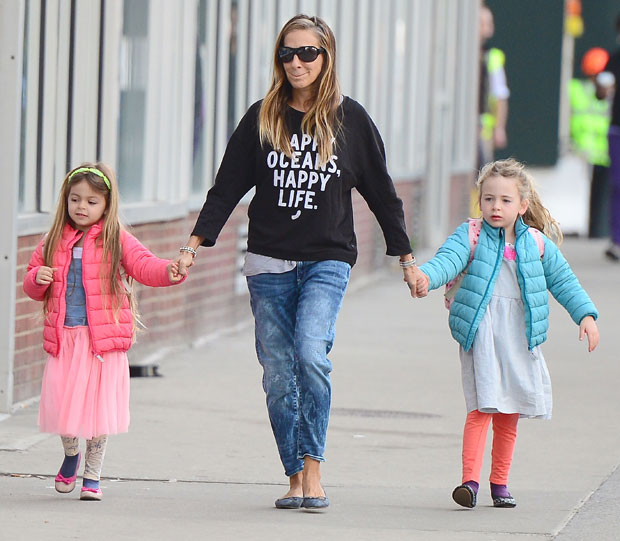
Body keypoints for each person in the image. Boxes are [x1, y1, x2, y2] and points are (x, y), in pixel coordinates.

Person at [174, 14, 425, 510]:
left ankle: (314, 469)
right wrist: (193, 245)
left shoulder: (350, 119)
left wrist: (406, 259)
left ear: (326, 57)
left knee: (310, 355)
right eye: (288, 53)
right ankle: (293, 476)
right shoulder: (262, 117)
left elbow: (382, 193)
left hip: (326, 260)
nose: (296, 62)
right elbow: (227, 188)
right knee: (276, 373)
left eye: (308, 52)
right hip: (268, 261)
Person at [415, 158, 599, 509]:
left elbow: (563, 281)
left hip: (519, 335)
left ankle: (500, 482)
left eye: (504, 200)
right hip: (482, 332)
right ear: (479, 200)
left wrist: (585, 315)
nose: (495, 207)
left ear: (522, 206)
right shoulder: (470, 234)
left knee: (509, 412)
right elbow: (447, 260)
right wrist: (426, 276)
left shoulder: (537, 244)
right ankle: (469, 482)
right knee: (482, 406)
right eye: (488, 199)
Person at [23, 163, 184, 501]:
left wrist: (169, 271)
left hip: (102, 342)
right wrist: (36, 279)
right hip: (65, 338)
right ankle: (71, 455)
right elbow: (32, 276)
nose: (82, 207)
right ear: (65, 201)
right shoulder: (53, 239)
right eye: (75, 199)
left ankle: (92, 474)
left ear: (107, 206)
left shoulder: (116, 239)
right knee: (64, 409)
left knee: (97, 412)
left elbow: (143, 265)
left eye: (92, 201)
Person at [569, 47, 612, 238]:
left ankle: (597, 231)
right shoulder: (577, 90)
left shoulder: (577, 89)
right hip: (587, 154)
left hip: (600, 153)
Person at [599, 15, 620, 260]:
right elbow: (601, 93)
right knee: (618, 186)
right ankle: (617, 240)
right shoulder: (615, 59)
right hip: (617, 128)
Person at [478, 5, 510, 168]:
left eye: (487, 23)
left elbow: (500, 95)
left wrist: (499, 128)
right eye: (481, 23)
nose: (484, 28)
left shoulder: (493, 57)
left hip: (483, 129)